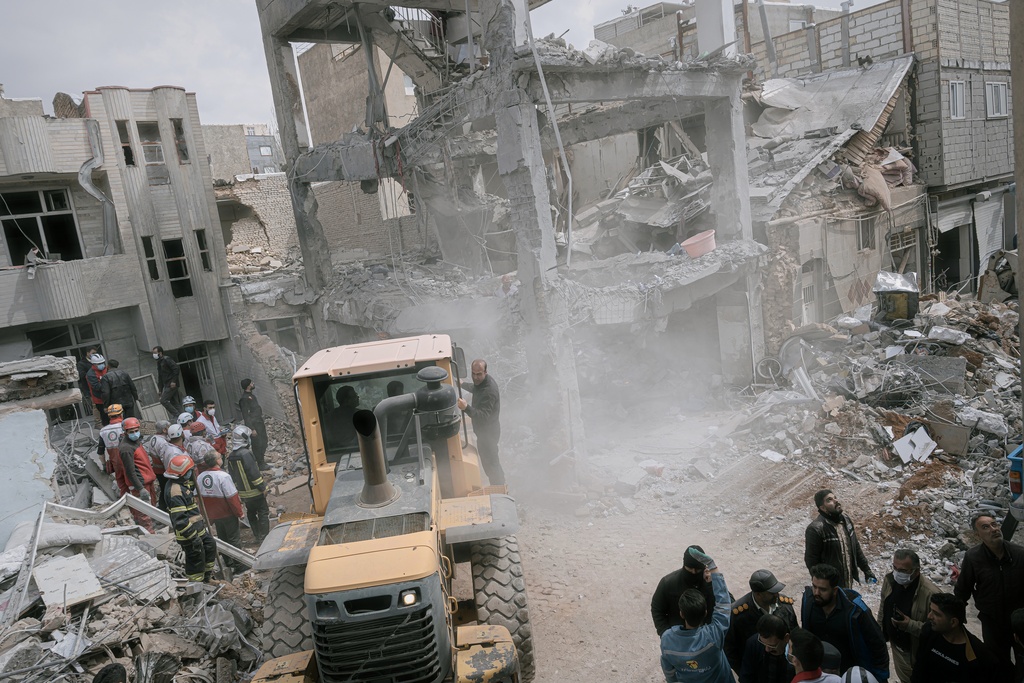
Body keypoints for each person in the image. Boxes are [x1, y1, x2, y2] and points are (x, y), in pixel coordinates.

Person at [953, 511, 1024, 680]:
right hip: (992, 622)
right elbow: (963, 590)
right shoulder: (973, 557)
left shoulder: (1019, 554)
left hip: (1019, 623)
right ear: (977, 534)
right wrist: (955, 618)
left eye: (994, 524)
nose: (993, 529)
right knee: (997, 664)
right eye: (986, 527)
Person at [801, 563, 889, 681]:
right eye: (814, 586)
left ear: (835, 590)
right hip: (819, 673)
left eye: (822, 589)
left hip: (849, 674)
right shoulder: (808, 602)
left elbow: (877, 643)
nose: (816, 593)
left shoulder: (856, 610)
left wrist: (879, 677)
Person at [659, 547, 732, 682]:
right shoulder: (714, 636)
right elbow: (724, 605)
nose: (693, 572)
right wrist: (713, 568)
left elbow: (669, 672)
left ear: (681, 614)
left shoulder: (668, 641)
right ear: (705, 613)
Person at [877, 548, 940, 683]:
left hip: (914, 651)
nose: (897, 573)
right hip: (896, 646)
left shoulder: (931, 594)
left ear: (916, 571)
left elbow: (938, 630)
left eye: (903, 571)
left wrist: (909, 625)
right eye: (895, 568)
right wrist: (880, 632)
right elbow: (883, 606)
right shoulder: (890, 580)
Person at [911, 593, 998, 682]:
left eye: (936, 614)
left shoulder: (979, 656)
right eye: (931, 610)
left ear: (953, 622)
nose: (929, 616)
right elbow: (919, 669)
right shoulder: (929, 631)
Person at [725, 569, 798, 672]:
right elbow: (730, 649)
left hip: (783, 665)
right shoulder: (738, 615)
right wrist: (745, 673)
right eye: (771, 593)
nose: (777, 595)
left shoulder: (785, 605)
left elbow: (795, 634)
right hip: (756, 669)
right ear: (758, 594)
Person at [163, 454, 217, 583]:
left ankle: (207, 578)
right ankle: (196, 585)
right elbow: (180, 521)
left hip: (198, 529)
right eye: (190, 471)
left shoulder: (182, 483)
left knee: (210, 546)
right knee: (196, 559)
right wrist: (193, 537)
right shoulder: (175, 491)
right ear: (183, 473)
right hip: (189, 533)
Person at [805, 489, 876, 588]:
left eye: (835, 498)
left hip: (847, 583)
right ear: (822, 508)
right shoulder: (816, 529)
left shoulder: (846, 521)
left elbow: (855, 547)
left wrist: (866, 569)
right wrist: (823, 584)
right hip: (830, 586)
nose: (836, 501)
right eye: (829, 500)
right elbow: (811, 561)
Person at [653, 544, 720, 635]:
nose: (693, 572)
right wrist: (665, 634)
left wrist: (714, 583)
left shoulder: (709, 581)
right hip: (677, 638)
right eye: (690, 568)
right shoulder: (668, 583)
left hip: (705, 637)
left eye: (697, 570)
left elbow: (727, 604)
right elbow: (657, 609)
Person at [196, 450, 245, 571]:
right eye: (219, 457)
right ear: (217, 461)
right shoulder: (223, 476)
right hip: (227, 513)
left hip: (213, 515)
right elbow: (232, 497)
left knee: (223, 538)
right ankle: (239, 565)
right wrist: (240, 512)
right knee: (234, 539)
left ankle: (228, 562)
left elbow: (198, 498)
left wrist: (205, 514)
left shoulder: (200, 477)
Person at [457, 359, 504, 486]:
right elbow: (476, 388)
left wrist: (466, 407)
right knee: (488, 463)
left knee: (491, 463)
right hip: (484, 433)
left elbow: (483, 416)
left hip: (489, 434)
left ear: (485, 372)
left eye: (479, 374)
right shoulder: (482, 383)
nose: (476, 377)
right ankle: (497, 485)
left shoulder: (489, 391)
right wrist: (462, 384)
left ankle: (499, 488)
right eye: (473, 374)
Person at [226, 425, 269, 543]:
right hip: (255, 491)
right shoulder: (246, 454)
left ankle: (257, 535)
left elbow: (232, 476)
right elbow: (253, 473)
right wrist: (262, 487)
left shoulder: (231, 456)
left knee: (251, 513)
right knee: (263, 512)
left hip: (244, 494)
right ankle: (264, 537)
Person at [116, 417, 156, 532]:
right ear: (125, 432)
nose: (134, 434)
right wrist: (140, 488)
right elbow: (130, 471)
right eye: (131, 432)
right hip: (140, 484)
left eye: (136, 430)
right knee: (143, 512)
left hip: (147, 481)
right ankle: (149, 535)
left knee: (151, 508)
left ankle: (151, 529)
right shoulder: (126, 448)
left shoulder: (134, 442)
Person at [738, 614, 795, 683]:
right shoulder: (753, 643)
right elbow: (746, 676)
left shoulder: (797, 651)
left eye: (772, 646)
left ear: (786, 638)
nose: (767, 649)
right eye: (763, 644)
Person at [238, 379, 269, 470]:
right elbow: (246, 415)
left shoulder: (251, 396)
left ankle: (261, 460)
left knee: (264, 442)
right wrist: (252, 428)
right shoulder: (244, 399)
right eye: (251, 383)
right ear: (248, 385)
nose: (253, 384)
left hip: (259, 422)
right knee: (257, 444)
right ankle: (260, 464)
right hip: (254, 425)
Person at [153, 346, 180, 419]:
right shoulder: (159, 362)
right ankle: (180, 415)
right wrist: (160, 390)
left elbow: (176, 369)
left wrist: (173, 381)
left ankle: (177, 414)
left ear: (160, 353)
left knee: (163, 400)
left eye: (155, 353)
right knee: (174, 402)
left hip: (171, 384)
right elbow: (160, 377)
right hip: (166, 384)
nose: (154, 355)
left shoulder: (167, 359)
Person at [97, 404, 125, 474]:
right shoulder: (126, 426)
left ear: (109, 416)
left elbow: (100, 452)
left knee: (121, 483)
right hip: (131, 463)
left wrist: (104, 465)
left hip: (116, 465)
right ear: (121, 414)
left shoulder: (103, 431)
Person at [85, 353, 109, 426]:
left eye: (102, 363)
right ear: (94, 364)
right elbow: (97, 387)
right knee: (105, 418)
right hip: (100, 399)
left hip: (110, 397)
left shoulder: (106, 369)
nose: (101, 364)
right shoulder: (91, 374)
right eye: (99, 363)